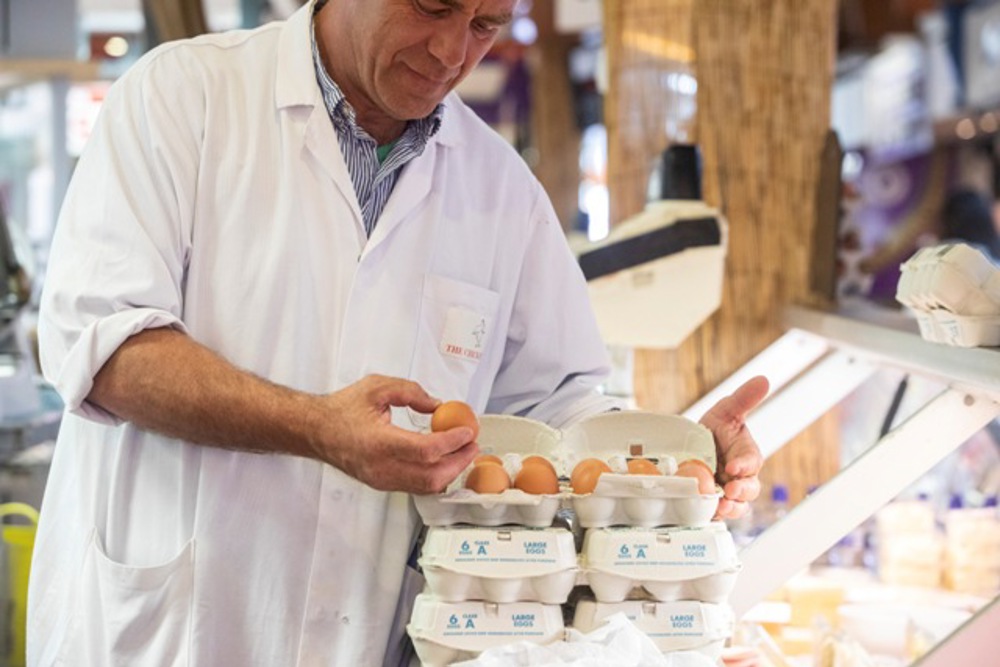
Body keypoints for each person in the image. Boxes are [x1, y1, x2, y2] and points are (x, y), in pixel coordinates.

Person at [28, 0, 768, 665]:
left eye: (484, 25)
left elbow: (556, 405)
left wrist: (670, 459)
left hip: (365, 631)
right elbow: (106, 348)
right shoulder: (180, 99)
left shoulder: (501, 190)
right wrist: (317, 427)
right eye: (432, 7)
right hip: (170, 632)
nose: (451, 52)